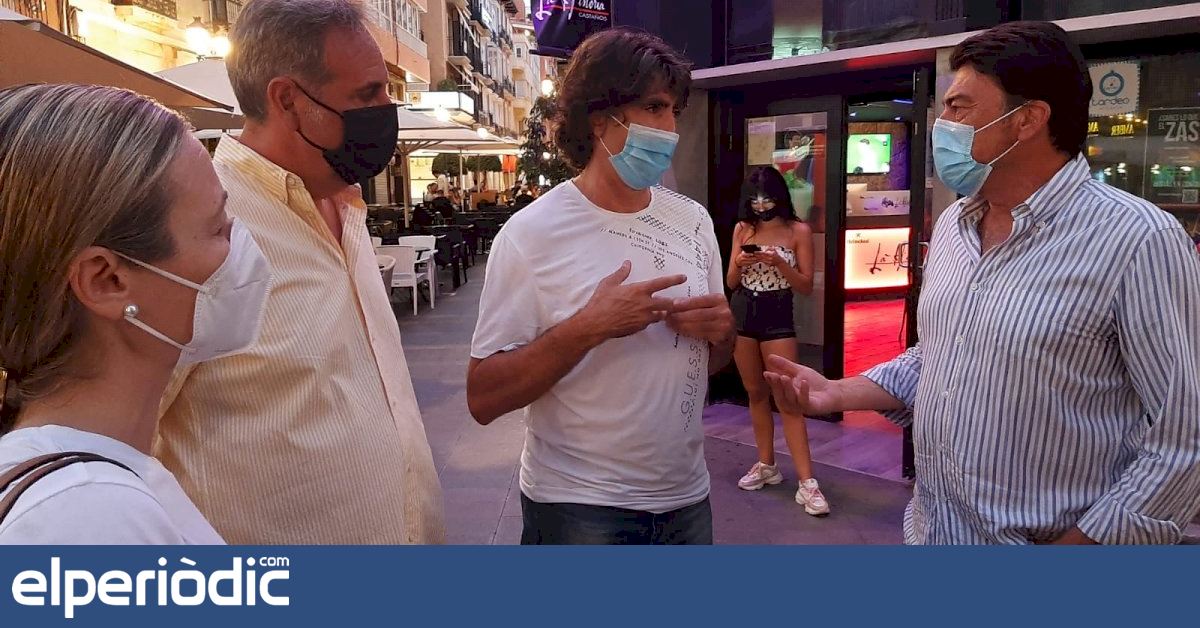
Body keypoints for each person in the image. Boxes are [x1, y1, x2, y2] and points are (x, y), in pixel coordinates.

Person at [765, 21, 1200, 544]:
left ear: (1028, 119)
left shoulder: (1139, 239)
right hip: (932, 534)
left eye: (959, 106)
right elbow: (941, 355)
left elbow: (1183, 434)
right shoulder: (955, 223)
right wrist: (835, 392)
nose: (941, 123)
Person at [155, 0, 444, 544]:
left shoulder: (345, 203)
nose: (387, 110)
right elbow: (112, 449)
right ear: (288, 100)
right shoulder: (192, 234)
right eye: (368, 95)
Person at [467, 28, 735, 545]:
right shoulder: (531, 233)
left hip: (686, 502)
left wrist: (722, 333)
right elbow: (483, 398)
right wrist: (587, 328)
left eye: (674, 110)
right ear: (598, 118)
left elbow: (710, 361)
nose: (670, 127)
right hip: (579, 509)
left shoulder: (693, 221)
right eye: (653, 107)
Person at [0, 84, 270, 544]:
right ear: (105, 280)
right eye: (216, 228)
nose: (240, 245)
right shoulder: (85, 516)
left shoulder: (94, 483)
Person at [726, 167, 827, 516]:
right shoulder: (743, 228)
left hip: (778, 313)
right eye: (754, 200)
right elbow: (730, 281)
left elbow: (805, 285)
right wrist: (741, 262)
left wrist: (779, 263)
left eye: (767, 199)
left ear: (779, 197)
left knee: (787, 397)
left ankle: (807, 481)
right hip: (743, 312)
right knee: (755, 393)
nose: (760, 206)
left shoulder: (798, 230)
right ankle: (766, 463)